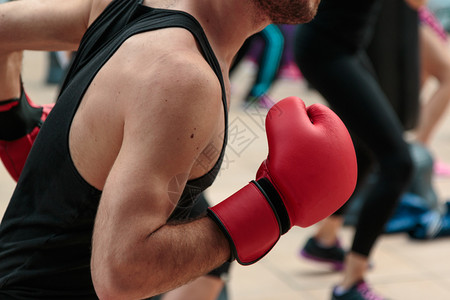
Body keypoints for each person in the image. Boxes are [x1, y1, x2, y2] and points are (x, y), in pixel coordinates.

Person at [0, 0, 358, 299]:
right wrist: (273, 208)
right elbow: (122, 274)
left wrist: (15, 123)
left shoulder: (127, 4)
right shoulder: (183, 77)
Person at [294, 0, 416, 299]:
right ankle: (350, 283)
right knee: (398, 163)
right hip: (327, 51)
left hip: (344, 47)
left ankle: (324, 240)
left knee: (366, 150)